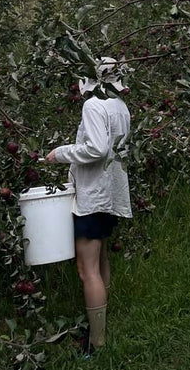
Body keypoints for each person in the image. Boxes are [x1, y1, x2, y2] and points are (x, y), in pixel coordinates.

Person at [45, 57, 131, 352]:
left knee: (87, 269)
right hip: (109, 194)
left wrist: (61, 153)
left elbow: (97, 148)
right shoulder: (119, 106)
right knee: (101, 259)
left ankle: (97, 343)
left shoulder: (94, 105)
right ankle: (100, 326)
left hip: (94, 196)